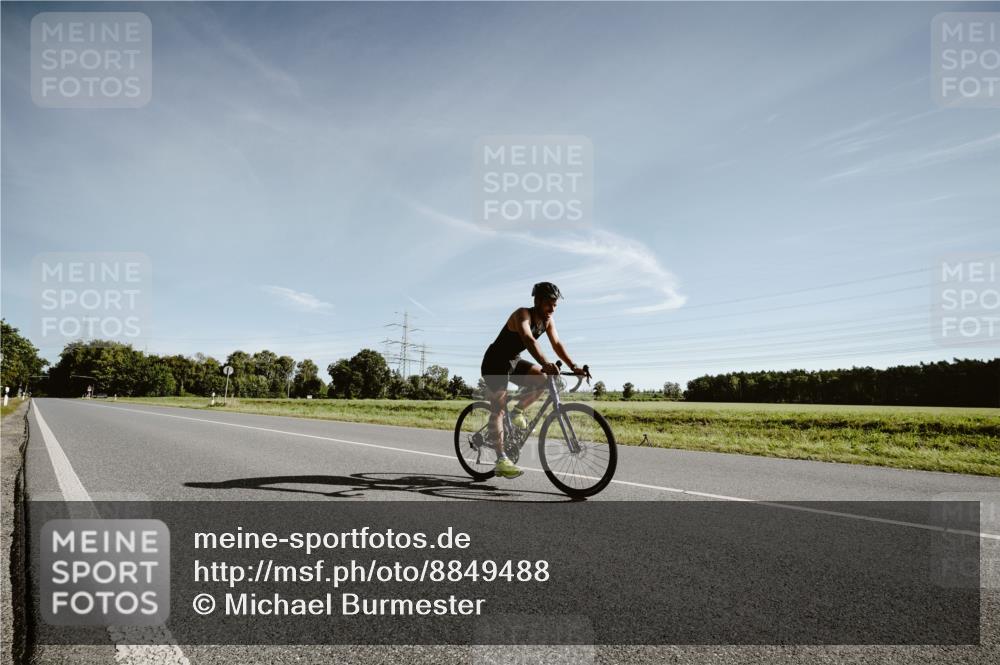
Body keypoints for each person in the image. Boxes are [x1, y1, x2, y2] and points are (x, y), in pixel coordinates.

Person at [480, 282, 587, 479]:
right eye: (549, 304)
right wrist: (545, 362)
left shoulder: (548, 321)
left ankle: (518, 411)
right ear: (537, 301)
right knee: (498, 408)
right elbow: (529, 340)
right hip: (495, 362)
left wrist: (574, 366)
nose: (552, 309)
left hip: (513, 361)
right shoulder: (522, 314)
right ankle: (501, 460)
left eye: (555, 305)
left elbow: (557, 343)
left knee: (543, 380)